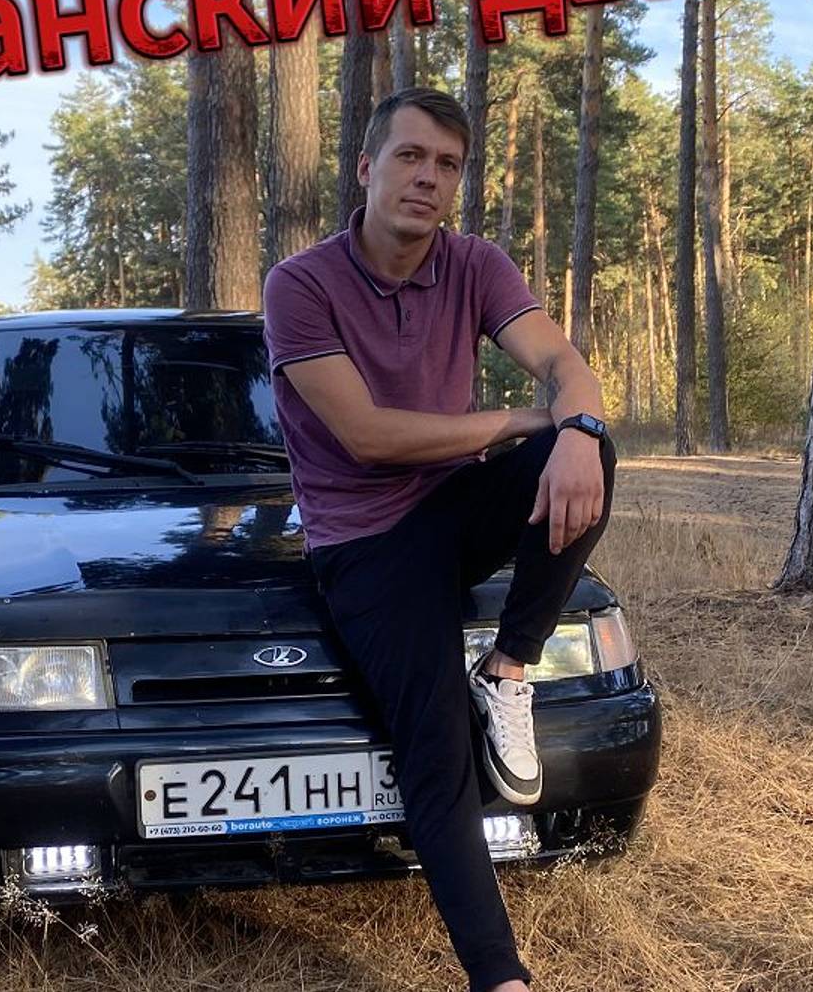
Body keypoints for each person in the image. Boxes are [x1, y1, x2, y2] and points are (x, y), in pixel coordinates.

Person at [262, 86, 616, 992]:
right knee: (436, 749)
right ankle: (499, 976)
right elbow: (367, 436)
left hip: (449, 510)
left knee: (587, 450)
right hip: (363, 545)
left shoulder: (474, 263)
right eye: (410, 156)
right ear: (366, 167)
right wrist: (521, 420)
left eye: (447, 164)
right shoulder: (300, 284)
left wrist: (577, 428)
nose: (427, 177)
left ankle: (508, 668)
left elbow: (562, 363)